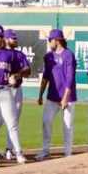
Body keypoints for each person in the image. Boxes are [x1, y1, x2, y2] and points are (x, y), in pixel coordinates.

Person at [0, 26, 28, 164]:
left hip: (5, 90)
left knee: (12, 122)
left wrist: (16, 75)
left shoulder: (9, 54)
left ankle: (18, 152)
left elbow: (24, 71)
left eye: (0, 36)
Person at [36, 25, 77, 159]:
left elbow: (70, 77)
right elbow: (46, 77)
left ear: (57, 40)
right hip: (52, 96)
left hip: (67, 97)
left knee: (67, 126)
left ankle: (68, 152)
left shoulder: (68, 55)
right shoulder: (48, 56)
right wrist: (40, 95)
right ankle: (45, 150)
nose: (49, 42)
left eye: (50, 40)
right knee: (46, 121)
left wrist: (65, 97)